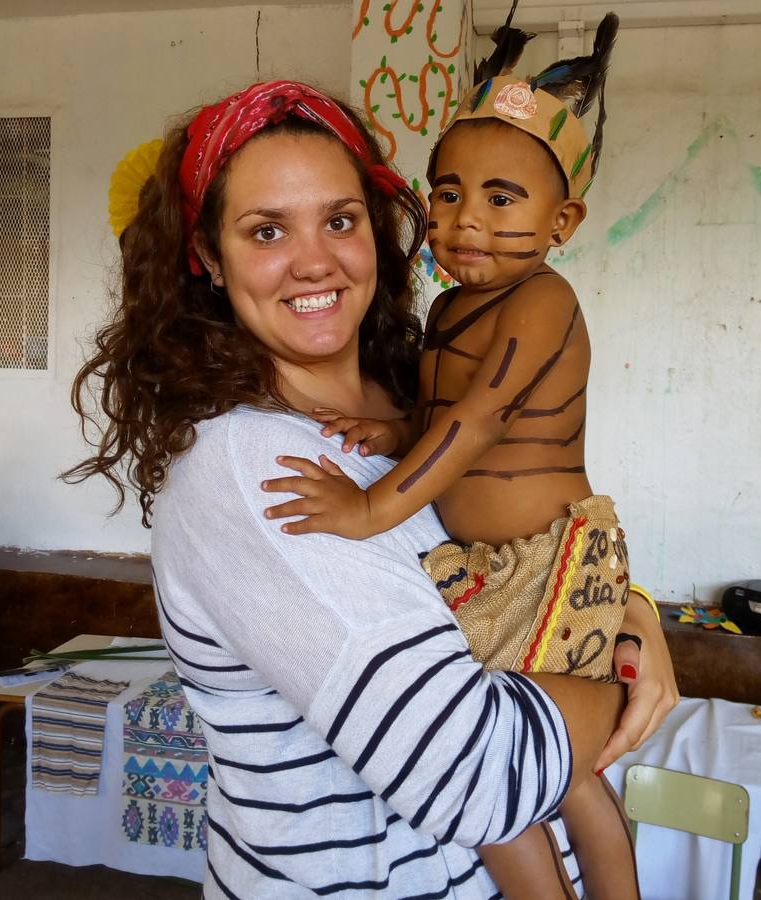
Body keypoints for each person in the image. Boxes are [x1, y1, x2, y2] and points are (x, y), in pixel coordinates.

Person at [65, 79, 678, 899]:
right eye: (267, 229)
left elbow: (505, 547)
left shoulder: (405, 403)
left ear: (378, 232)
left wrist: (624, 608)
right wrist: (615, 686)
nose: (314, 259)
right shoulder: (252, 469)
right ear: (210, 257)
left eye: (339, 220)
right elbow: (475, 774)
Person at [260, 16, 646, 900]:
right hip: (485, 566)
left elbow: (476, 422)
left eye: (502, 199)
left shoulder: (543, 300)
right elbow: (440, 416)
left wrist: (367, 508)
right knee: (549, 764)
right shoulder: (445, 312)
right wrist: (393, 435)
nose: (466, 219)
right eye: (446, 193)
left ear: (565, 221)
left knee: (524, 773)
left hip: (545, 561)